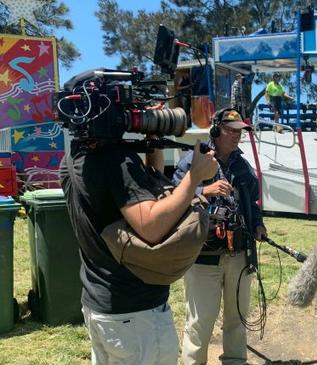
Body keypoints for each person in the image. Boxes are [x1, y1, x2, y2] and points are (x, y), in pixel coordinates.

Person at [60, 135, 217, 365]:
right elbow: (151, 226)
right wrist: (194, 177)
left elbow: (138, 194)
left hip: (102, 305)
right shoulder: (116, 161)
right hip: (136, 317)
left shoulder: (75, 155)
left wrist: (152, 149)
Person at [174, 109, 266, 365]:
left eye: (240, 131)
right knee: (200, 321)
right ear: (216, 130)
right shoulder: (194, 159)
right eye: (231, 130)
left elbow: (253, 202)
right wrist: (206, 189)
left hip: (239, 253)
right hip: (203, 256)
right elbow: (174, 198)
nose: (237, 135)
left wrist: (258, 225)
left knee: (238, 318)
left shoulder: (242, 165)